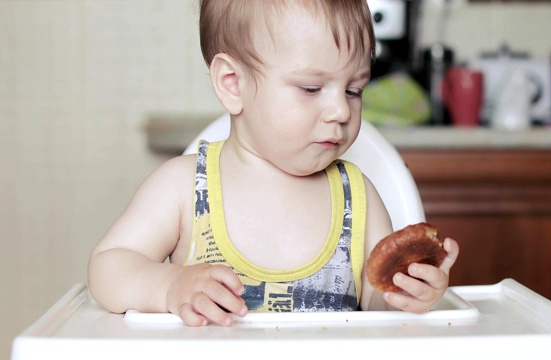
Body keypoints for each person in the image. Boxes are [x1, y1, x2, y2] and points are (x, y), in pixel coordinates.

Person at [87, 0, 459, 327]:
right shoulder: (183, 187)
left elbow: (377, 305)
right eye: (311, 88)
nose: (341, 110)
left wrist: (407, 294)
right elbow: (108, 268)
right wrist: (169, 286)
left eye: (353, 89)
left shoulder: (358, 197)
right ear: (233, 84)